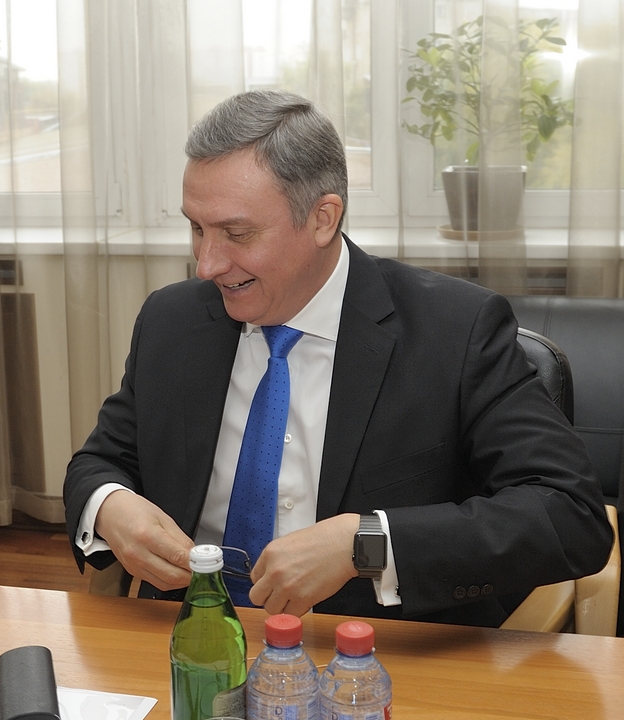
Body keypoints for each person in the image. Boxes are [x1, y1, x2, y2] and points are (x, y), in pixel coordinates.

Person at [64, 90, 612, 624]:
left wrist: (365, 544)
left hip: (376, 651)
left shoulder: (455, 331)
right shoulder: (173, 322)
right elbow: (99, 463)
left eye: (237, 233)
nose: (207, 264)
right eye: (196, 228)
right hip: (192, 639)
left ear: (323, 218)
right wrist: (109, 507)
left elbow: (569, 515)